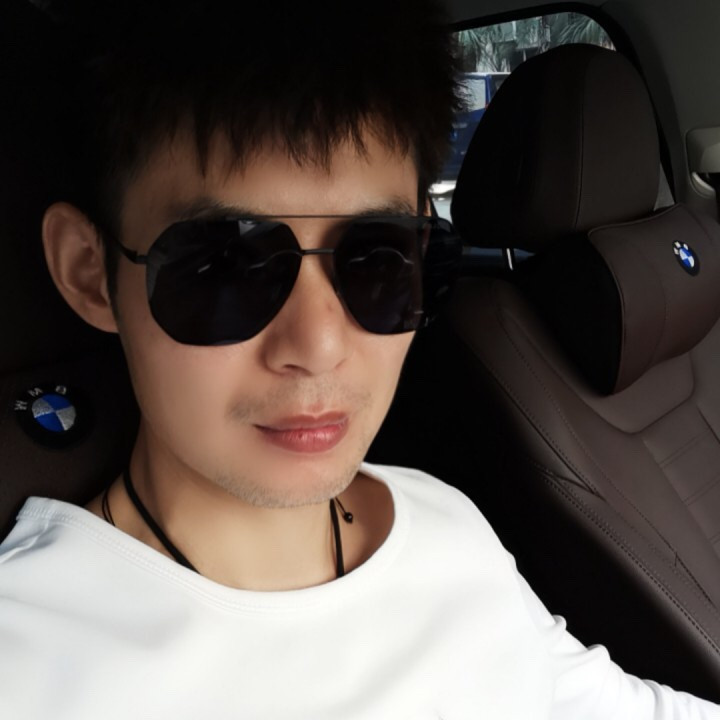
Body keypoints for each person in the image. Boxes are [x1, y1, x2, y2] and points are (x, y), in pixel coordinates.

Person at [0, 0, 718, 717]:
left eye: (378, 260)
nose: (319, 347)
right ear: (90, 272)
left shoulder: (447, 525)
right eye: (225, 268)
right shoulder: (29, 661)